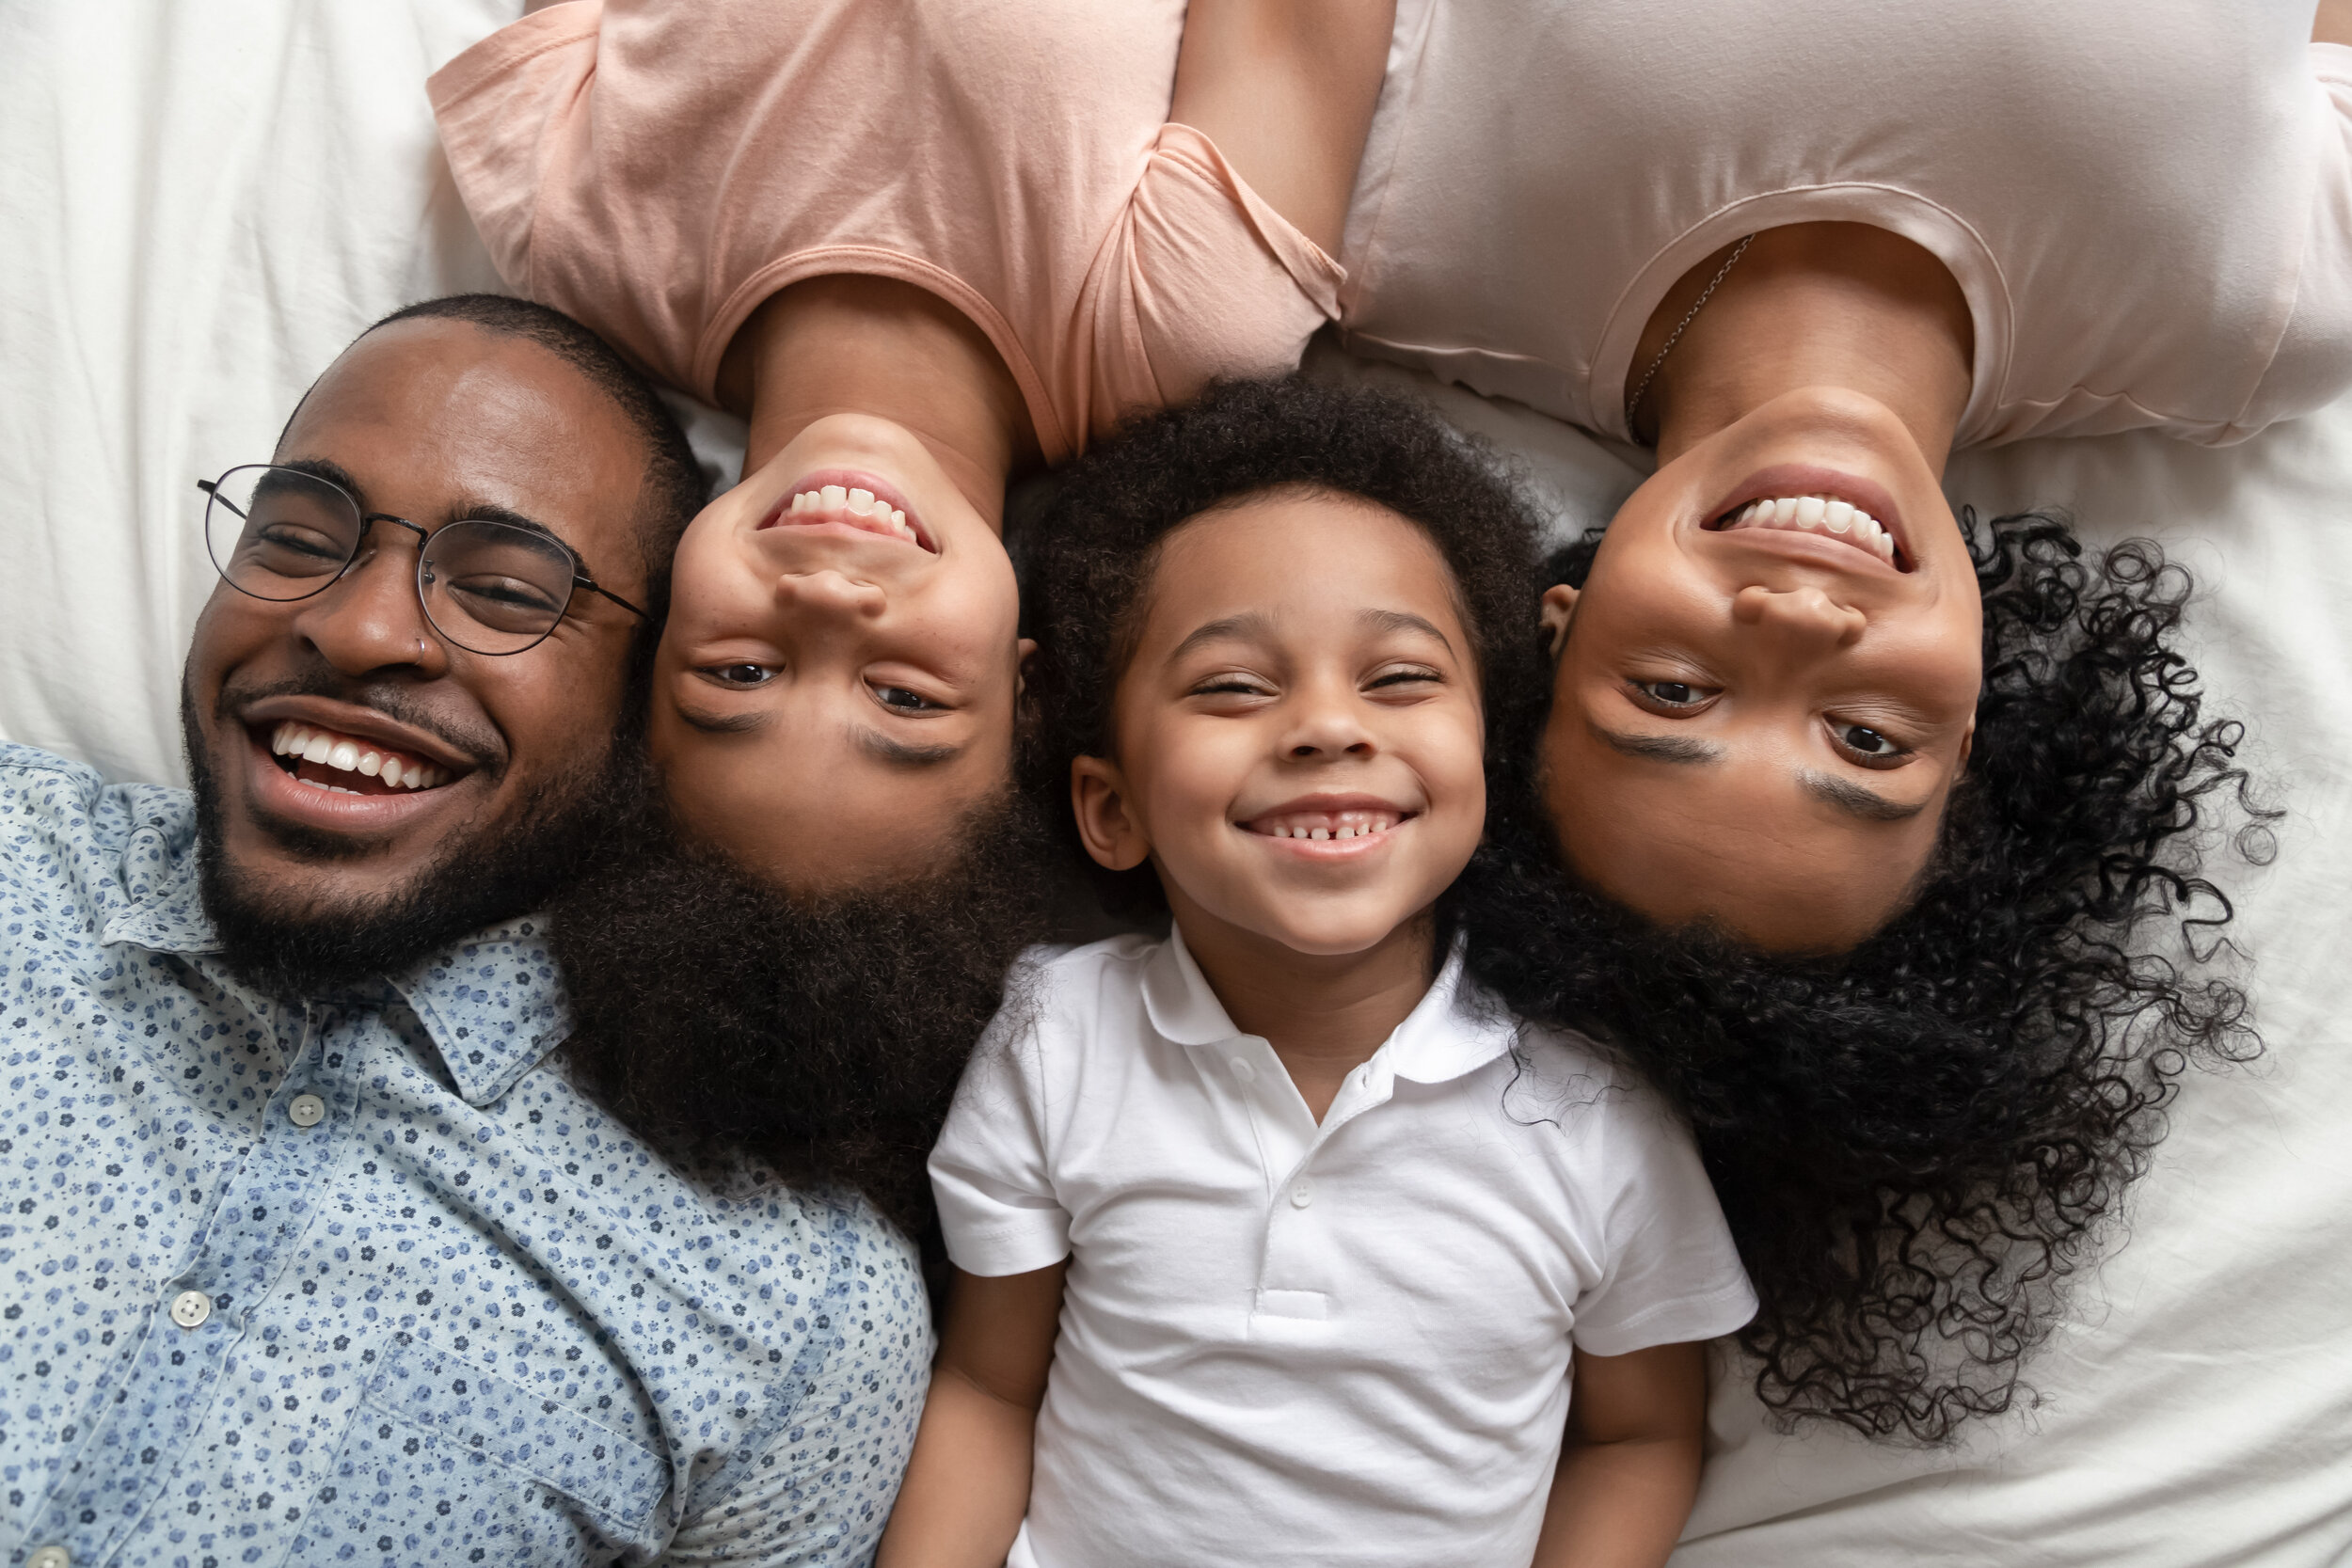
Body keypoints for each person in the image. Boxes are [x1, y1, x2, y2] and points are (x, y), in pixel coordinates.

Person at [0, 294, 933, 1566]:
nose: (358, 625)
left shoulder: (794, 1312)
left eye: (501, 589)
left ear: (643, 708)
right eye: (295, 536)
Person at [881, 380, 1757, 1567]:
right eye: (1234, 685)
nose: (1326, 726)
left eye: (1397, 677)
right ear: (1111, 805)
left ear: (1485, 763)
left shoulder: (1593, 1110)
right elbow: (990, 1383)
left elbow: (1639, 1437)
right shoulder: (1056, 1033)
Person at [1330, 0, 2352, 950]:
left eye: (1673, 692)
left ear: (1555, 627)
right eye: (1865, 739)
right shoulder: (2263, 327)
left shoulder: (1388, 229)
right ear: (1966, 737)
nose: (1800, 621)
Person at [427, 0, 1388, 895]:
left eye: (742, 674)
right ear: (1025, 695)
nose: (828, 600)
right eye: (905, 697)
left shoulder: (568, 235)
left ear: (655, 644)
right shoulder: (1184, 320)